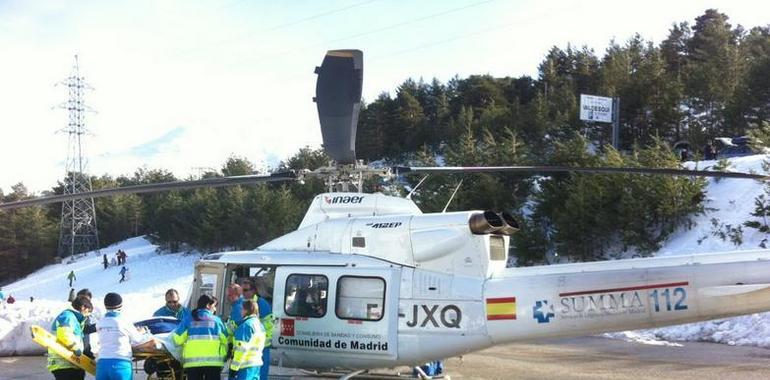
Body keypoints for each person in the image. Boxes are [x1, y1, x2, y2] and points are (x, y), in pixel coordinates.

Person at [95, 292, 155, 380]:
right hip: (120, 363)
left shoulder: (100, 322)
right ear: (120, 306)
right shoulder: (124, 321)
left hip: (102, 363)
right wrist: (142, 332)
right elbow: (138, 340)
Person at [172, 294, 228, 380]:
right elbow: (226, 340)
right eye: (214, 306)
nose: (215, 309)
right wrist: (223, 355)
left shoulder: (188, 319)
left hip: (193, 364)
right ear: (208, 305)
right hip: (213, 363)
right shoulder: (217, 321)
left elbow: (177, 340)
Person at [47, 295, 93, 380]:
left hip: (71, 362)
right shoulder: (68, 317)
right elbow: (64, 335)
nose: (87, 316)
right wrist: (75, 348)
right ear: (83, 307)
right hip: (63, 363)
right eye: (88, 312)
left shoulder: (74, 319)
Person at [243, 279, 273, 380]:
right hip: (250, 346)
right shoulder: (244, 303)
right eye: (242, 290)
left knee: (261, 374)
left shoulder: (262, 304)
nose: (243, 293)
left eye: (246, 290)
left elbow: (268, 327)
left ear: (254, 291)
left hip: (261, 347)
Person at [230, 299, 266, 380]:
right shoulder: (260, 325)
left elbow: (240, 349)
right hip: (256, 364)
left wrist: (234, 368)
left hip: (244, 367)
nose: (241, 312)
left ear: (246, 310)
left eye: (242, 309)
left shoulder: (246, 325)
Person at [76, 289, 97, 359]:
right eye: (82, 299)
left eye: (86, 300)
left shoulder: (88, 312)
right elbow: (83, 330)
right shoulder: (72, 313)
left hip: (85, 349)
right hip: (76, 349)